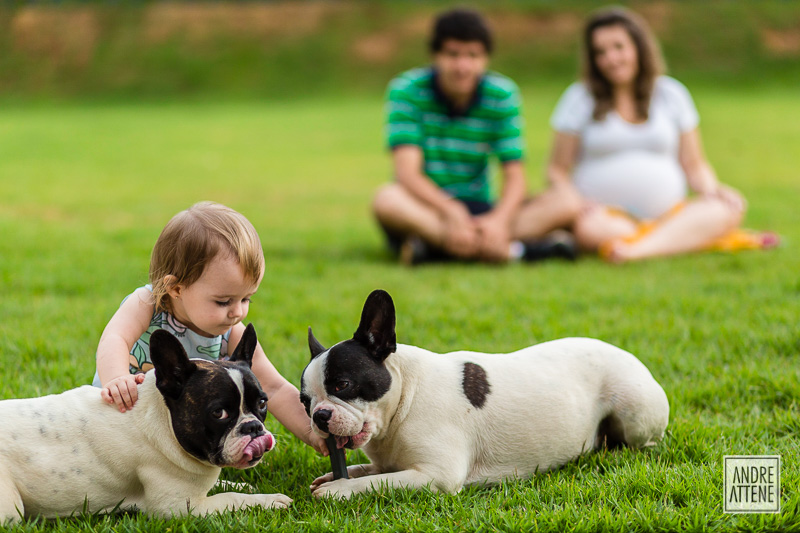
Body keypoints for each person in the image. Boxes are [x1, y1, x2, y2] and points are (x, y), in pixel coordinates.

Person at [93, 201, 328, 455]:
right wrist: (117, 378)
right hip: (123, 417)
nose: (237, 312)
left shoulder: (232, 332)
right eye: (223, 301)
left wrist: (312, 431)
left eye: (246, 299)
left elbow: (274, 387)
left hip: (180, 434)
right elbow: (115, 338)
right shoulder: (146, 303)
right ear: (176, 288)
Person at [547, 6, 778, 263]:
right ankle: (679, 240)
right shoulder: (579, 98)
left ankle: (637, 250)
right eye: (600, 52)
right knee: (591, 229)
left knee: (727, 208)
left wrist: (712, 189)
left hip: (671, 212)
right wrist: (578, 203)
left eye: (618, 47)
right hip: (605, 217)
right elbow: (556, 170)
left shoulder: (671, 94)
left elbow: (694, 163)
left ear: (638, 48)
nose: (611, 58)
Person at [372, 8, 581, 266]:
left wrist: (499, 220)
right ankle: (517, 252)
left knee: (567, 202)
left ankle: (435, 250)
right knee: (386, 199)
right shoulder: (406, 91)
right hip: (428, 206)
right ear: (435, 55)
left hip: (482, 207)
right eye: (453, 55)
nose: (463, 66)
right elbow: (407, 174)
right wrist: (449, 209)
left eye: (472, 55)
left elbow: (515, 176)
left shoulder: (502, 95)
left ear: (485, 59)